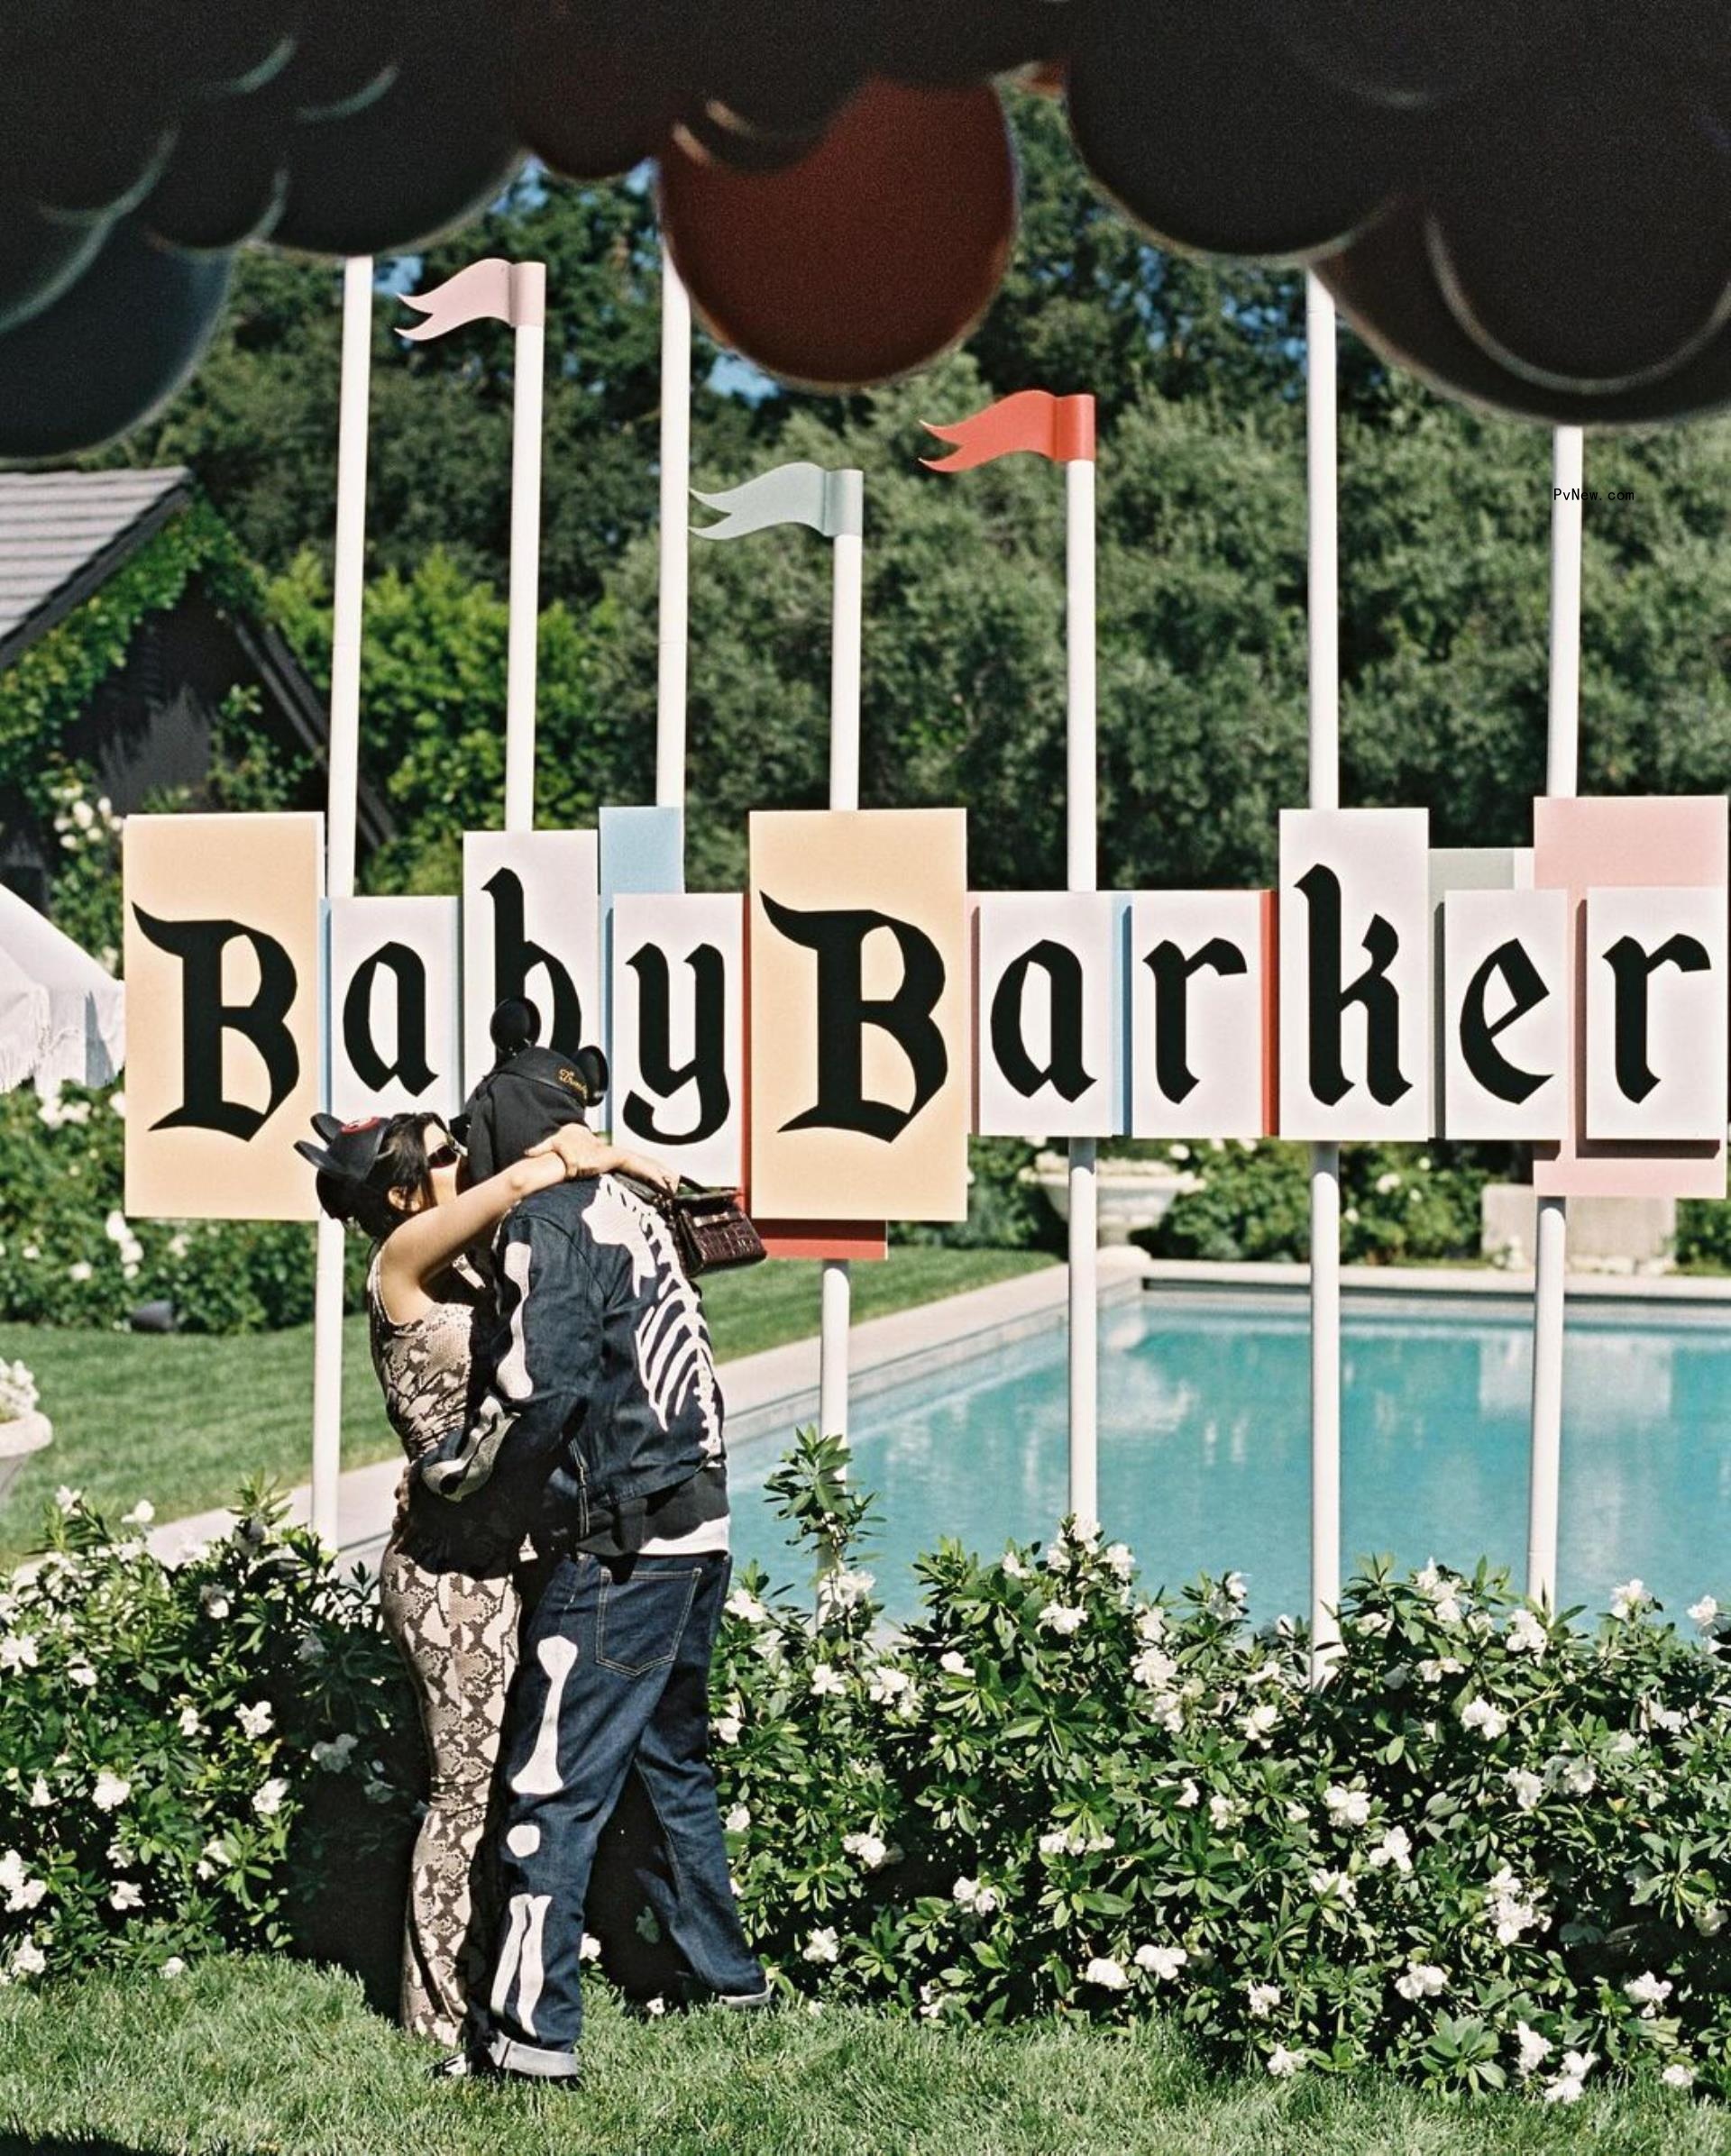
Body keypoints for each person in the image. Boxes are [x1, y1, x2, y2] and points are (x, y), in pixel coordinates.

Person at [294, 1101, 676, 2069]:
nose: (463, 1156)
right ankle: (438, 2013)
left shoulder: (461, 1261)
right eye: (443, 1152)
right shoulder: (398, 1266)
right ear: (398, 1194)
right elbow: (514, 1179)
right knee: (464, 1795)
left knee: (510, 1786)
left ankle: (500, 1985)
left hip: (502, 1563)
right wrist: (579, 1155)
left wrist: (612, 1159)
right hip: (447, 1583)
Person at [413, 1058, 769, 2084]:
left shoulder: (549, 1221)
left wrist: (463, 1484)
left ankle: (528, 2040)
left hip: (622, 1546)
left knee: (549, 1785)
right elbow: (725, 1237)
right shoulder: (633, 1205)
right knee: (669, 1769)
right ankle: (729, 1983)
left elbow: (542, 1390)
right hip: (699, 1527)